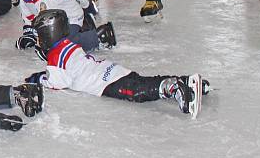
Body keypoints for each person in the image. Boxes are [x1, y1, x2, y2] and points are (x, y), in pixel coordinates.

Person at [25, 9, 207, 119]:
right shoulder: (69, 45)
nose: (39, 41)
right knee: (141, 81)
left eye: (40, 36)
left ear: (50, 34)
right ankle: (188, 81)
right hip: (109, 70)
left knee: (138, 92)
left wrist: (39, 78)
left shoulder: (56, 56)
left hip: (104, 83)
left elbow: (58, 82)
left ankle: (174, 87)